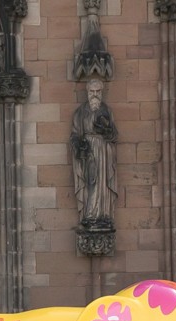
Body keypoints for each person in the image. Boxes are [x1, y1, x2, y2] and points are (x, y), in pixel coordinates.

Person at [70, 78, 118, 230]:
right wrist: (80, 145)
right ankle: (89, 215)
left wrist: (106, 130)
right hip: (89, 152)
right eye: (92, 91)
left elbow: (114, 134)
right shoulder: (80, 112)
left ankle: (103, 214)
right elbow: (75, 135)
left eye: (98, 92)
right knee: (92, 181)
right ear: (87, 92)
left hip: (104, 151)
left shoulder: (107, 110)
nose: (95, 95)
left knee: (102, 182)